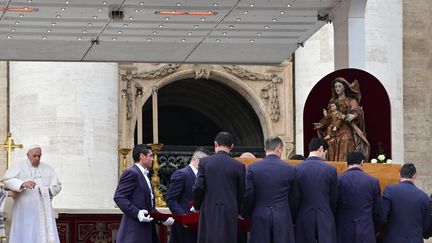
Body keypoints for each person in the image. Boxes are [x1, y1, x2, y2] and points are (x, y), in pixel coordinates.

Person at [241, 136, 297, 243]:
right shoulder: (290, 169)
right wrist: (292, 218)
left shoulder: (253, 168)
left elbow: (249, 194)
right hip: (282, 216)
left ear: (265, 149)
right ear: (279, 149)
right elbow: (294, 197)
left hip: (259, 216)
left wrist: (244, 214)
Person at [1, 144, 62, 243]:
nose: (37, 158)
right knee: (25, 232)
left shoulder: (48, 168)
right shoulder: (18, 166)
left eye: (39, 156)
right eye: (34, 156)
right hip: (24, 209)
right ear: (27, 155)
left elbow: (58, 186)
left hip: (43, 208)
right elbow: (6, 180)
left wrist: (47, 190)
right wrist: (21, 184)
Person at [193, 131, 246, 243]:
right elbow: (242, 192)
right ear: (232, 146)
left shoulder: (204, 162)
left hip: (208, 209)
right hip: (230, 211)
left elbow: (198, 187)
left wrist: (197, 206)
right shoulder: (239, 166)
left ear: (215, 144)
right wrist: (239, 211)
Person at [114, 144, 174, 243]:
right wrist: (137, 213)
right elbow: (119, 197)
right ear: (142, 156)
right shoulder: (132, 173)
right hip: (134, 232)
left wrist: (163, 219)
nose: (153, 159)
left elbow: (149, 207)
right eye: (150, 156)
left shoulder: (144, 175)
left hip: (147, 231)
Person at [313, 77, 370, 161]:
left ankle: (345, 167)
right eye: (336, 87)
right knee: (330, 143)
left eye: (339, 86)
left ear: (344, 87)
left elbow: (357, 111)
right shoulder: (333, 102)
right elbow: (329, 117)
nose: (337, 89)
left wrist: (353, 116)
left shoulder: (351, 100)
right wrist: (322, 124)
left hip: (345, 129)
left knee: (345, 141)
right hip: (333, 131)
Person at [294, 137, 338, 243]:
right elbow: (333, 198)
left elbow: (295, 197)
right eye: (326, 153)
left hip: (303, 217)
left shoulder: (297, 169)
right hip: (325, 216)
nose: (325, 156)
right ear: (321, 149)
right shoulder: (331, 170)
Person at [166, 147, 210, 243]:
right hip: (183, 227)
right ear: (200, 161)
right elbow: (170, 199)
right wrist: (184, 218)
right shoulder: (182, 174)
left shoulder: (203, 176)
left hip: (198, 225)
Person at [336, 151, 381, 243]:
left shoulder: (338, 179)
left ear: (346, 163)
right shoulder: (373, 181)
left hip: (343, 229)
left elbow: (333, 204)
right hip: (366, 229)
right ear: (362, 163)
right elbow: (377, 210)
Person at [380, 163, 431, 243]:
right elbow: (426, 225)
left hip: (392, 239)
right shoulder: (424, 197)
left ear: (399, 174)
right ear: (414, 175)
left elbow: (382, 217)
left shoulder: (389, 191)